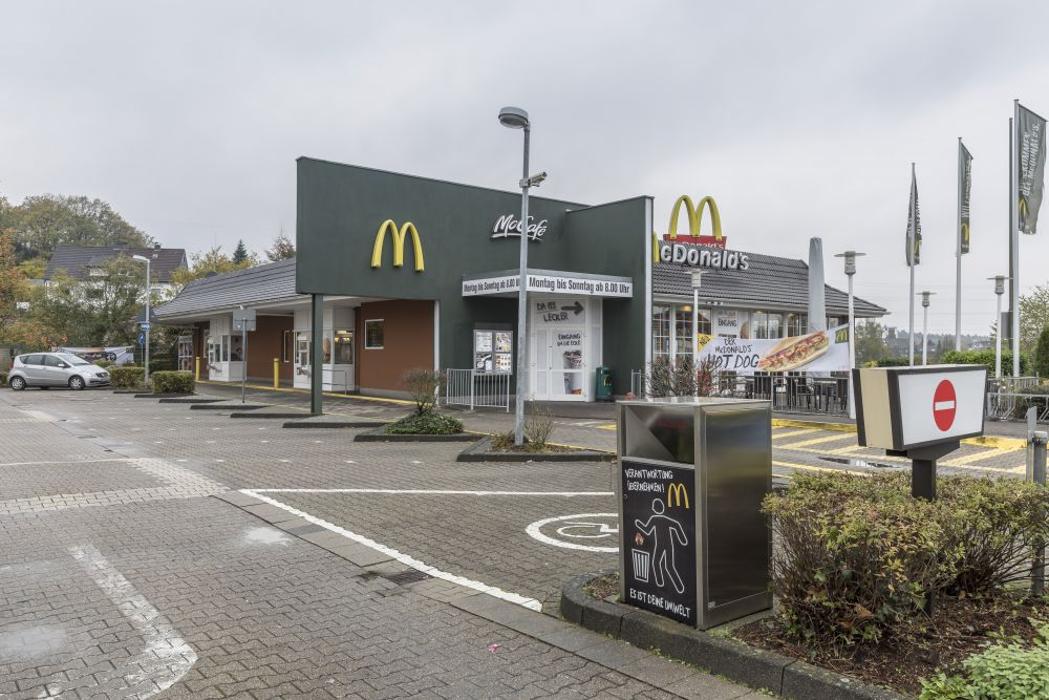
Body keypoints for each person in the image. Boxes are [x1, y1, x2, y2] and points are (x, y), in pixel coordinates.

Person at [634, 498, 688, 594]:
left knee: (656, 563)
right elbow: (676, 525)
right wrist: (682, 539)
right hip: (668, 544)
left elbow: (647, 530)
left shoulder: (654, 519)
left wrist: (639, 524)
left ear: (654, 508)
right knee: (669, 566)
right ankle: (678, 587)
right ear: (662, 508)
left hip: (660, 545)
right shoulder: (666, 519)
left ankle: (660, 583)